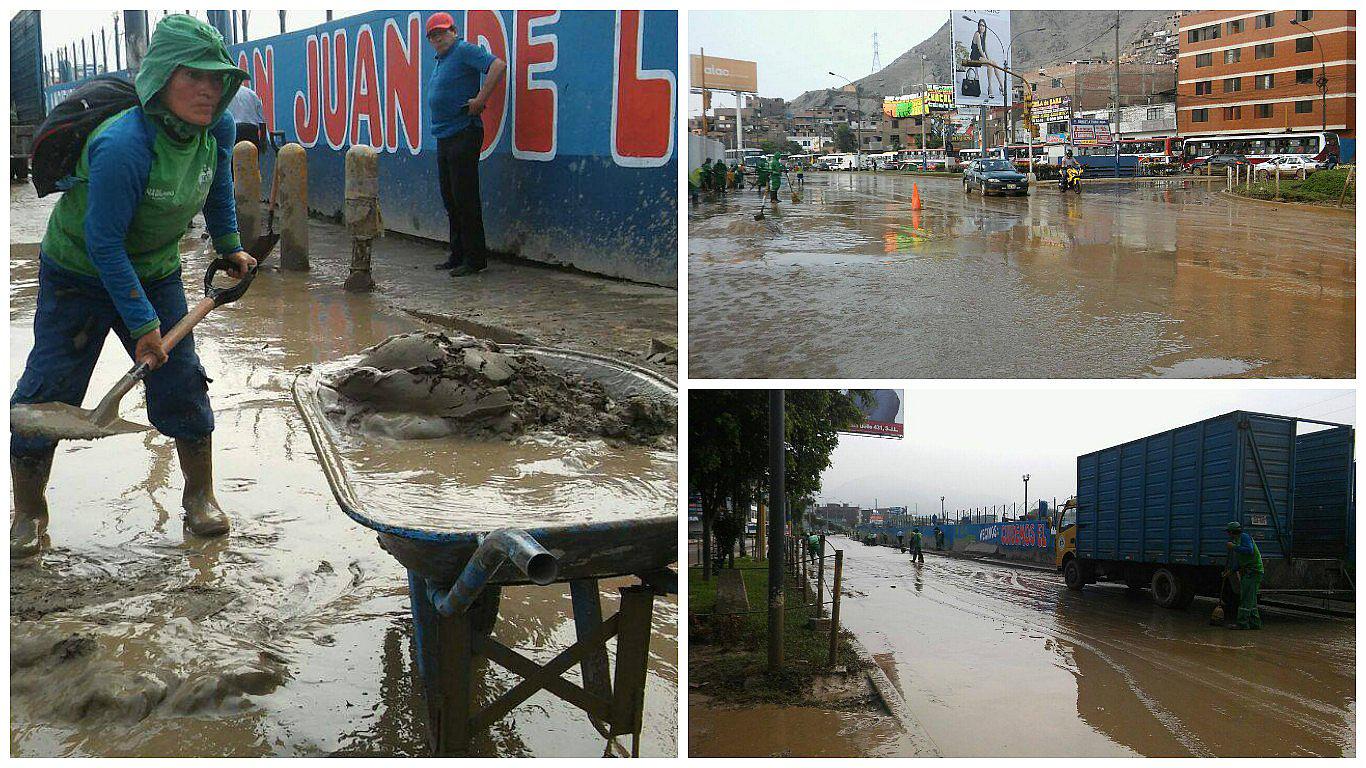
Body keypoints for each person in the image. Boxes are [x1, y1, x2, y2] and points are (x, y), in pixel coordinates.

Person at [10, 14, 257, 557]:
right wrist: (145, 325)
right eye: (193, 76)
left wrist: (229, 244)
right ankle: (28, 512)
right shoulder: (124, 144)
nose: (208, 90)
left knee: (183, 380)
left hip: (154, 269)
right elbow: (103, 244)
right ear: (162, 78)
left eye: (217, 78)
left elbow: (216, 182)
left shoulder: (217, 128)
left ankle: (199, 496)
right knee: (48, 390)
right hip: (78, 272)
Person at [426, 11, 507, 277]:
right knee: (450, 198)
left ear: (454, 31)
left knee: (465, 198)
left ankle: (475, 259)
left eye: (442, 32)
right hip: (444, 135)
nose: (438, 38)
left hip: (464, 131)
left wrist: (480, 99)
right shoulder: (442, 60)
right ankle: (458, 254)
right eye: (433, 36)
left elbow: (498, 66)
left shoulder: (463, 50)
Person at [1225, 522, 1263, 629]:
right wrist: (1231, 571)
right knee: (1251, 599)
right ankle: (1255, 623)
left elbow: (1249, 550)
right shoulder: (1238, 540)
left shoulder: (1244, 537)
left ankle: (1242, 623)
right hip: (1249, 571)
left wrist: (1234, 547)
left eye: (1228, 532)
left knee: (1245, 598)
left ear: (1232, 532)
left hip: (1253, 572)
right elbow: (1240, 561)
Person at [969, 18, 1006, 102]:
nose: (981, 27)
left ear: (985, 27)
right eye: (980, 25)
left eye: (983, 25)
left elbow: (985, 49)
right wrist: (987, 60)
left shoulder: (983, 35)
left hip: (980, 57)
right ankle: (990, 87)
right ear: (978, 26)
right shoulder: (977, 34)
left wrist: (989, 59)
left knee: (994, 63)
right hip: (975, 56)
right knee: (990, 64)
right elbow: (980, 49)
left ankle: (1001, 86)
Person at [226, 82, 266, 153]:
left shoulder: (226, 94)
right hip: (251, 131)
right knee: (252, 157)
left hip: (233, 130)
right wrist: (263, 141)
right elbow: (262, 121)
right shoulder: (252, 94)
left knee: (234, 158)